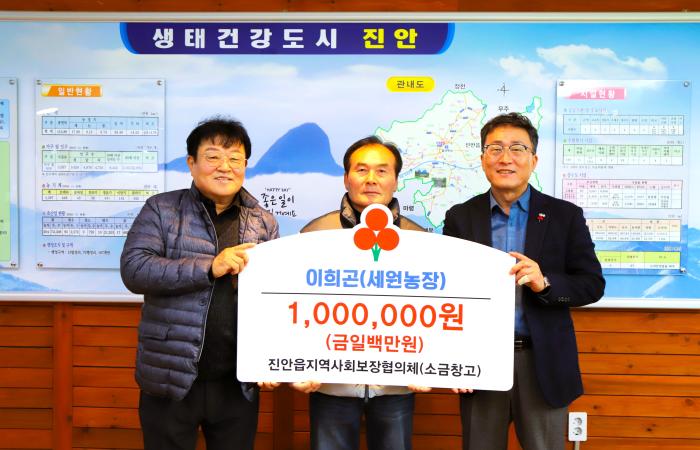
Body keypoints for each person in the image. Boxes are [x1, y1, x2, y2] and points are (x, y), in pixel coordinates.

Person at [443, 112, 605, 450]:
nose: (506, 158)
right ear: (483, 159)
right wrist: (457, 358)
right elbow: (449, 294)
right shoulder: (460, 217)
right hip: (480, 360)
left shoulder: (565, 216)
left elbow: (592, 284)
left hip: (541, 360)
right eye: (495, 149)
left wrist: (545, 282)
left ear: (534, 159)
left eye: (517, 148)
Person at [120, 117, 279, 450]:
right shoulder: (162, 209)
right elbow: (135, 270)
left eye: (235, 158)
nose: (225, 167)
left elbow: (274, 300)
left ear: (245, 165)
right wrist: (210, 266)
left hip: (237, 383)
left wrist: (270, 358)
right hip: (171, 377)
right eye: (213, 157)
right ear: (191, 163)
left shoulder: (263, 222)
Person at [294, 136, 428, 450]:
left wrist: (427, 364)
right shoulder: (314, 234)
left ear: (396, 180)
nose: (371, 179)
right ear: (346, 178)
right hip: (329, 383)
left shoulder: (419, 239)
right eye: (361, 170)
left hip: (397, 384)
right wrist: (300, 365)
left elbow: (430, 311)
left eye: (382, 171)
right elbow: (297, 307)